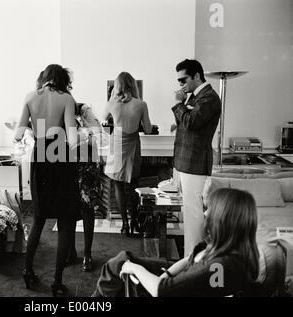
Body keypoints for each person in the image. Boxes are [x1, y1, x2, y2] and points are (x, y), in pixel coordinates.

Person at [92, 188, 260, 297]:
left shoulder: (220, 267)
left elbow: (162, 290)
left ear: (224, 220)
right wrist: (168, 274)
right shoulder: (227, 249)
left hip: (171, 290)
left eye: (211, 209)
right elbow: (188, 259)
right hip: (178, 280)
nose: (206, 213)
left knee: (121, 264)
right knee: (120, 261)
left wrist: (135, 268)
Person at [15, 64, 81, 297]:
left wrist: (35, 132)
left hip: (41, 155)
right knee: (65, 222)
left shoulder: (31, 97)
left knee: (39, 218)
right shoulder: (66, 99)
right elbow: (72, 139)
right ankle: (57, 281)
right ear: (62, 80)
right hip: (61, 156)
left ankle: (27, 270)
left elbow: (17, 134)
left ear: (43, 78)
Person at [171, 59, 222, 256]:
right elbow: (183, 121)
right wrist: (182, 104)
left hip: (195, 162)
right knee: (190, 213)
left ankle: (192, 259)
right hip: (187, 161)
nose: (180, 85)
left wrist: (177, 104)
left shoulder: (209, 98)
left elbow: (191, 123)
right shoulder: (194, 97)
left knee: (193, 215)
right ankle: (190, 256)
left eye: (183, 80)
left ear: (197, 76)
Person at [102, 72, 152, 236]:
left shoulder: (111, 103)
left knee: (118, 185)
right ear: (133, 85)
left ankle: (124, 223)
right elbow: (149, 129)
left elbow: (103, 121)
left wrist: (111, 98)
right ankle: (135, 222)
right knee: (133, 187)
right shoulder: (141, 104)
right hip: (133, 145)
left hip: (116, 144)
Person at [66, 102, 105, 272]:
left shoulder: (84, 109)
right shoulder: (58, 109)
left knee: (87, 209)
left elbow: (99, 134)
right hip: (68, 164)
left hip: (88, 165)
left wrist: (80, 133)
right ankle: (71, 250)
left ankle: (87, 254)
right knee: (69, 210)